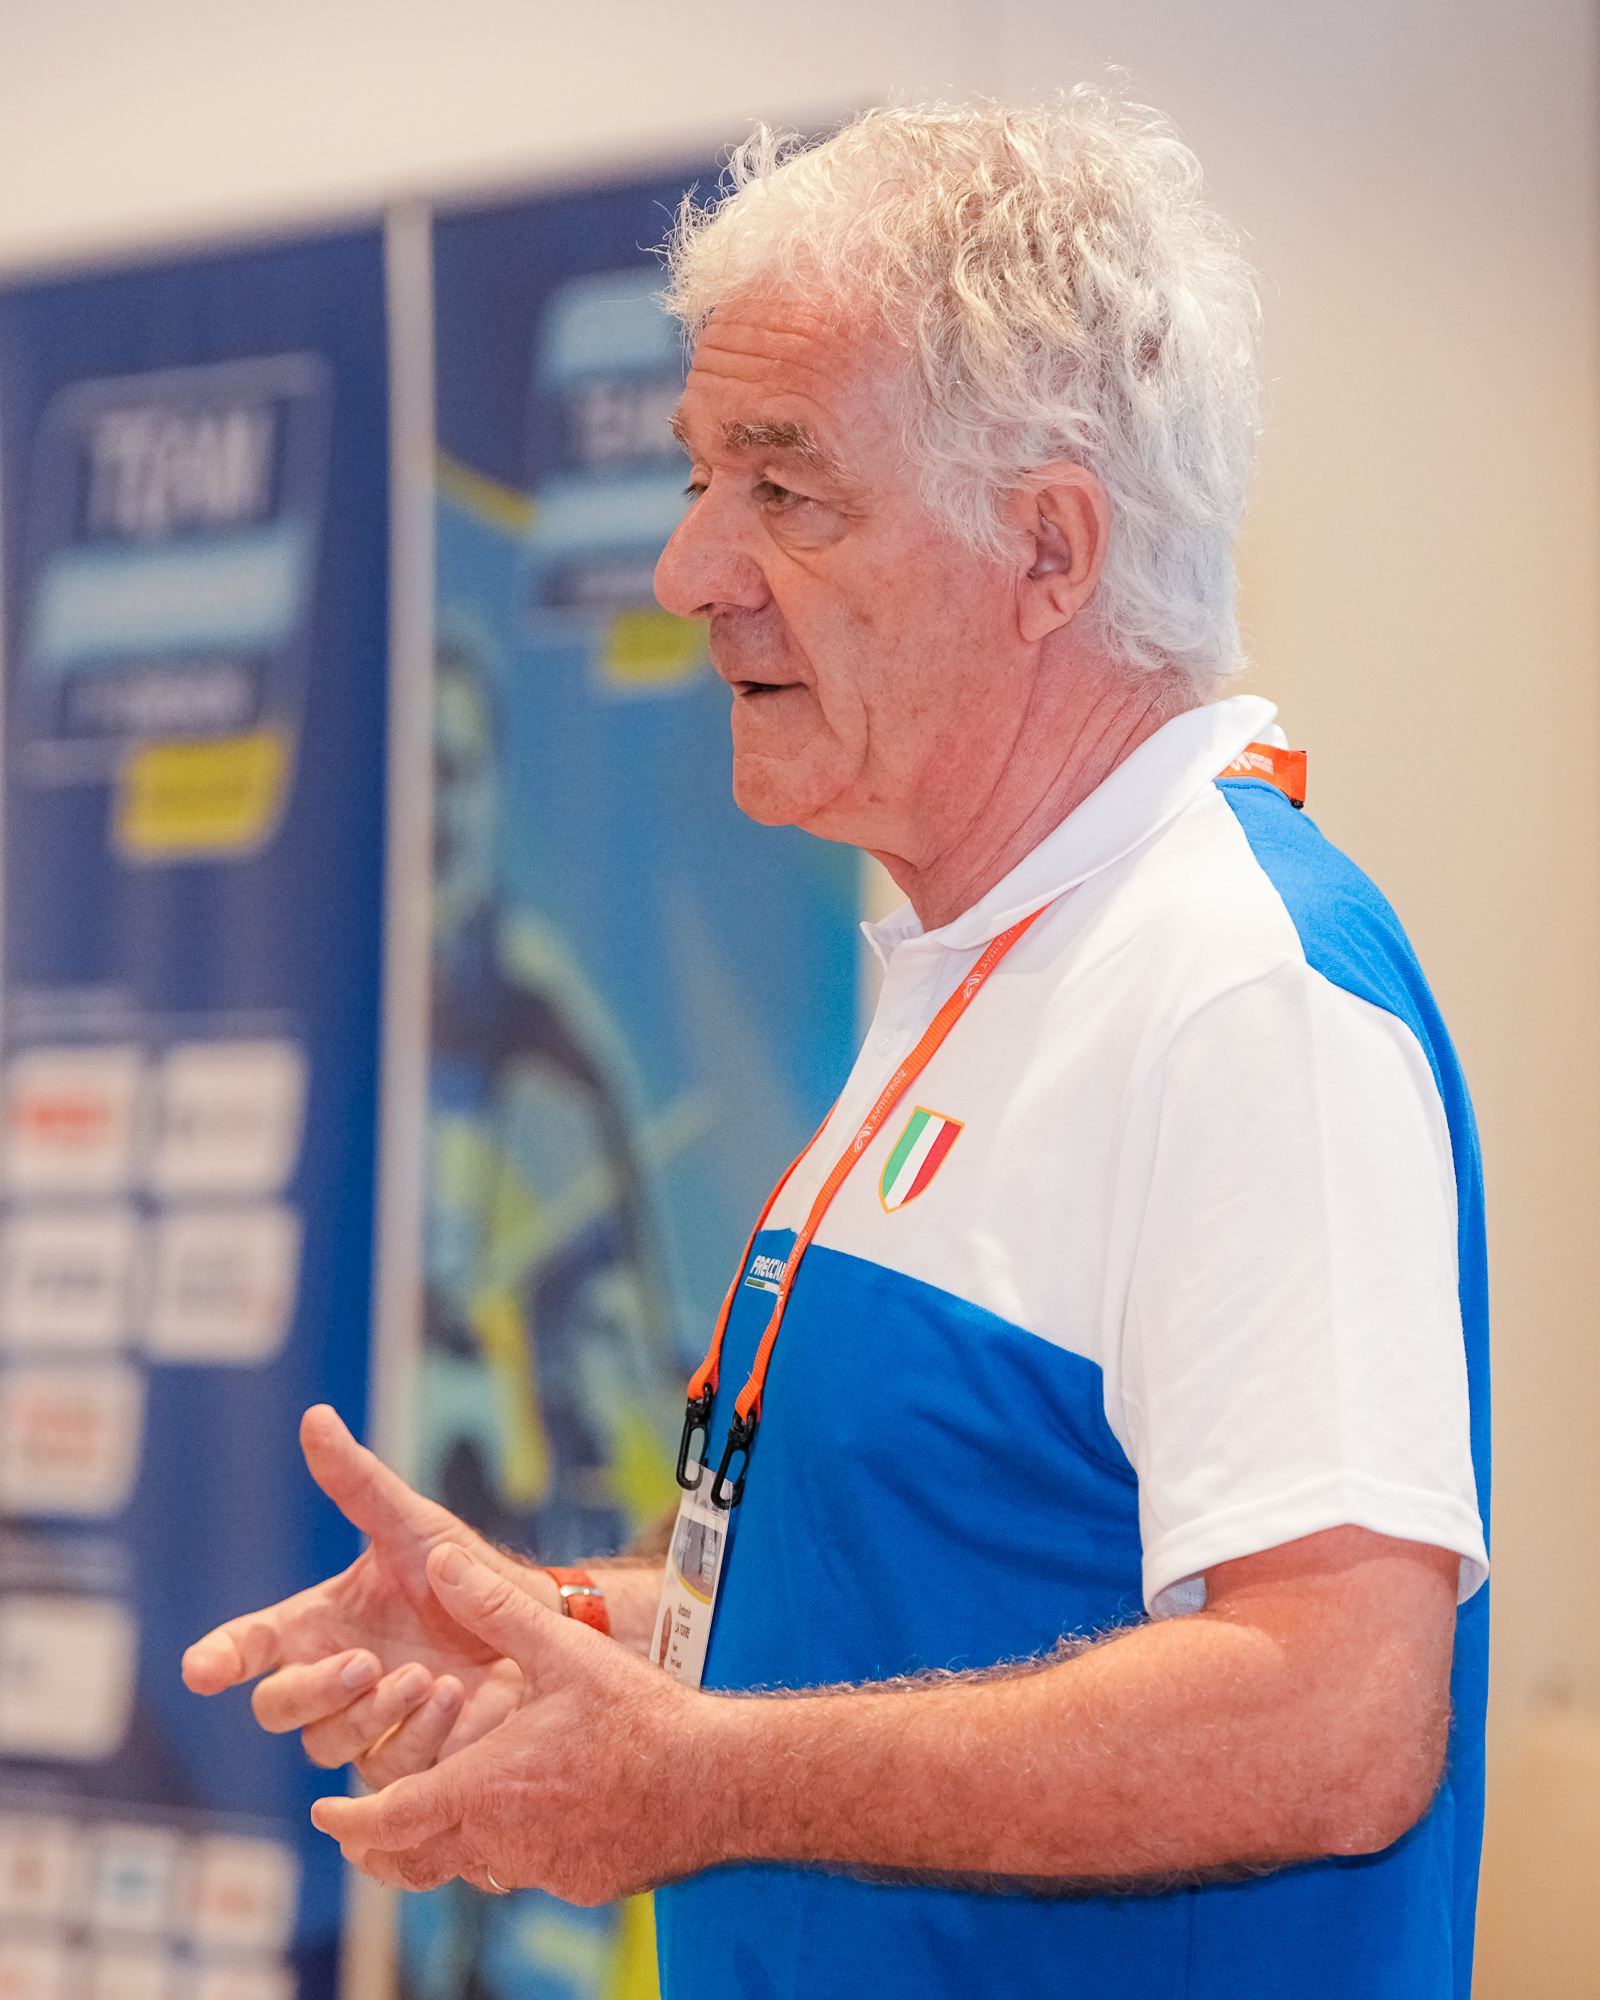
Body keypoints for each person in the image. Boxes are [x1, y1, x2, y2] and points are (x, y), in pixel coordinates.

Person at [183, 94, 1490, 2000]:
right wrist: (565, 1634)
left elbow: (1336, 1712)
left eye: (784, 492)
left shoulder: (1237, 985)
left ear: (1048, 548)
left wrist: (697, 1780)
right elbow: (922, 1605)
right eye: (700, 479)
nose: (688, 567)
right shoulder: (983, 960)